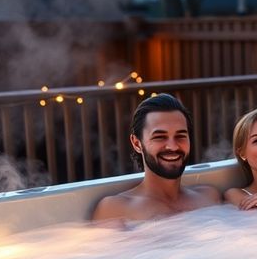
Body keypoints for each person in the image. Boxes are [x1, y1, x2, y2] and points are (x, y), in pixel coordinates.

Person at [91, 94, 221, 222]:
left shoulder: (209, 197)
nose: (173, 146)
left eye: (180, 136)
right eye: (159, 137)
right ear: (137, 143)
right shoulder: (116, 209)